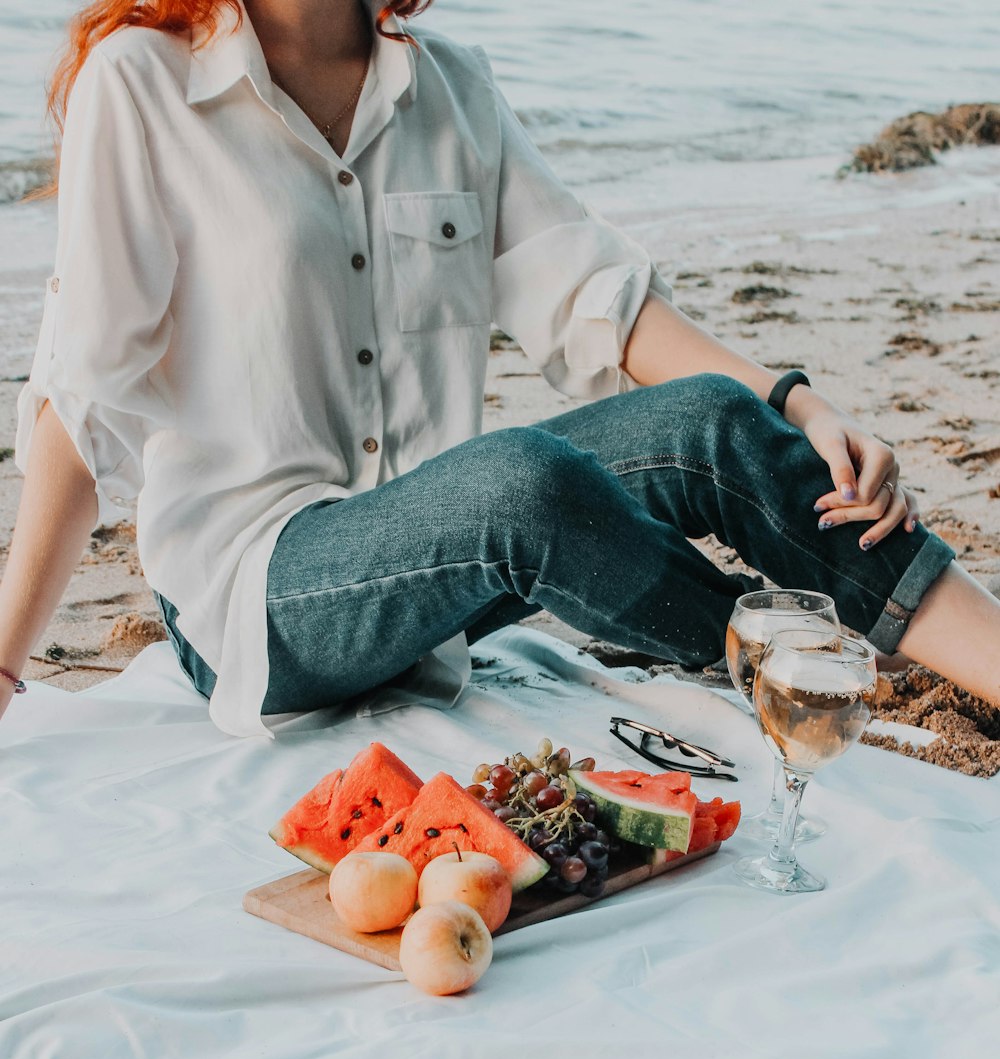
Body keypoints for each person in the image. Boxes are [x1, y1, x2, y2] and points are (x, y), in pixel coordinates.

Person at [1, 0, 998, 738]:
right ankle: (778, 674)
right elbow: (80, 394)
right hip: (259, 600)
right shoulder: (138, 82)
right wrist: (4, 666)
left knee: (716, 420)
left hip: (444, 560)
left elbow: (598, 298)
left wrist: (798, 405)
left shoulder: (449, 88)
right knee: (523, 483)